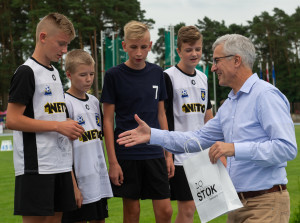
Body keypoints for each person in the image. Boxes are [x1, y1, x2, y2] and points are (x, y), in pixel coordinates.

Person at [117, 34, 298, 223]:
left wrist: (234, 148)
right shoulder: (229, 105)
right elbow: (197, 139)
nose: (213, 68)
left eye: (216, 61)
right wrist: (153, 135)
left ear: (236, 60)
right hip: (237, 205)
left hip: (265, 204)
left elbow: (286, 148)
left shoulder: (265, 95)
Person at [6, 13, 85, 223]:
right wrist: (58, 126)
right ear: (43, 37)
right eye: (61, 43)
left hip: (59, 165)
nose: (64, 50)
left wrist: (67, 127)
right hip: (36, 167)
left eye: (67, 44)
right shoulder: (26, 72)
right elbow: (12, 120)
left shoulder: (55, 73)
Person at [100, 20, 174, 223]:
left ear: (150, 45)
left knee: (166, 210)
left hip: (154, 150)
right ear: (124, 46)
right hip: (127, 152)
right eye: (133, 47)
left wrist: (168, 154)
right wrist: (113, 162)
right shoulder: (113, 75)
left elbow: (161, 115)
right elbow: (107, 121)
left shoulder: (157, 73)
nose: (139, 52)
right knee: (132, 213)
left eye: (143, 47)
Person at [164, 25, 217, 223]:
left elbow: (208, 116)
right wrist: (167, 154)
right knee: (187, 208)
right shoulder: (168, 76)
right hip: (180, 155)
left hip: (201, 154)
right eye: (188, 49)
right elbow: (165, 118)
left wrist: (213, 148)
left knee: (196, 208)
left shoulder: (203, 77)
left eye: (198, 49)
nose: (194, 54)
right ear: (178, 51)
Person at [61, 49, 113, 223]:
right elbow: (63, 150)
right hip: (79, 183)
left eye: (91, 73)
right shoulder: (65, 103)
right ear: (69, 74)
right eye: (83, 74)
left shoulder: (94, 102)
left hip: (97, 180)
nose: (89, 79)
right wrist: (73, 187)